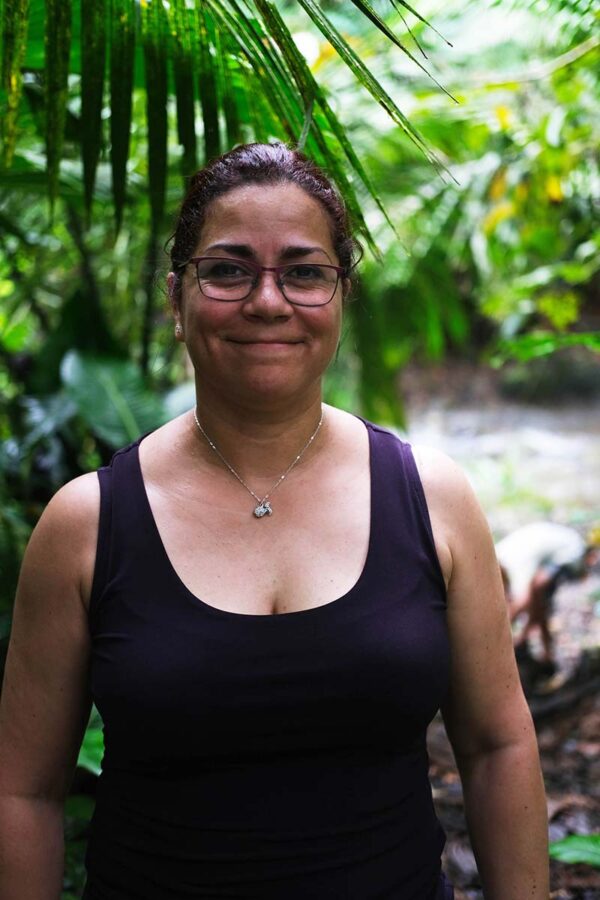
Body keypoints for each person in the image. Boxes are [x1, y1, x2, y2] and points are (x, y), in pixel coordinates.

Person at [0, 142, 548, 899]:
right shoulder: (87, 523)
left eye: (304, 272)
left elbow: (497, 747)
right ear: (175, 296)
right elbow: (23, 792)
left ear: (342, 296)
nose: (266, 300)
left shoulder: (432, 496)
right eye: (227, 269)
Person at [497, 521, 599, 665]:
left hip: (569, 552)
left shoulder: (515, 564)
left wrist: (499, 637)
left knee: (536, 593)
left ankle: (534, 646)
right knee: (538, 597)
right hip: (555, 544)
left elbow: (523, 600)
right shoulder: (502, 556)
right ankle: (546, 652)